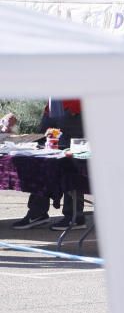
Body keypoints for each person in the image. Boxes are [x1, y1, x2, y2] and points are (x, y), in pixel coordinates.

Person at [12, 99, 85, 231]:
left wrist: (75, 107)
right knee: (41, 159)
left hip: (75, 109)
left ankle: (75, 216)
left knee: (73, 161)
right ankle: (37, 212)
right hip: (54, 107)